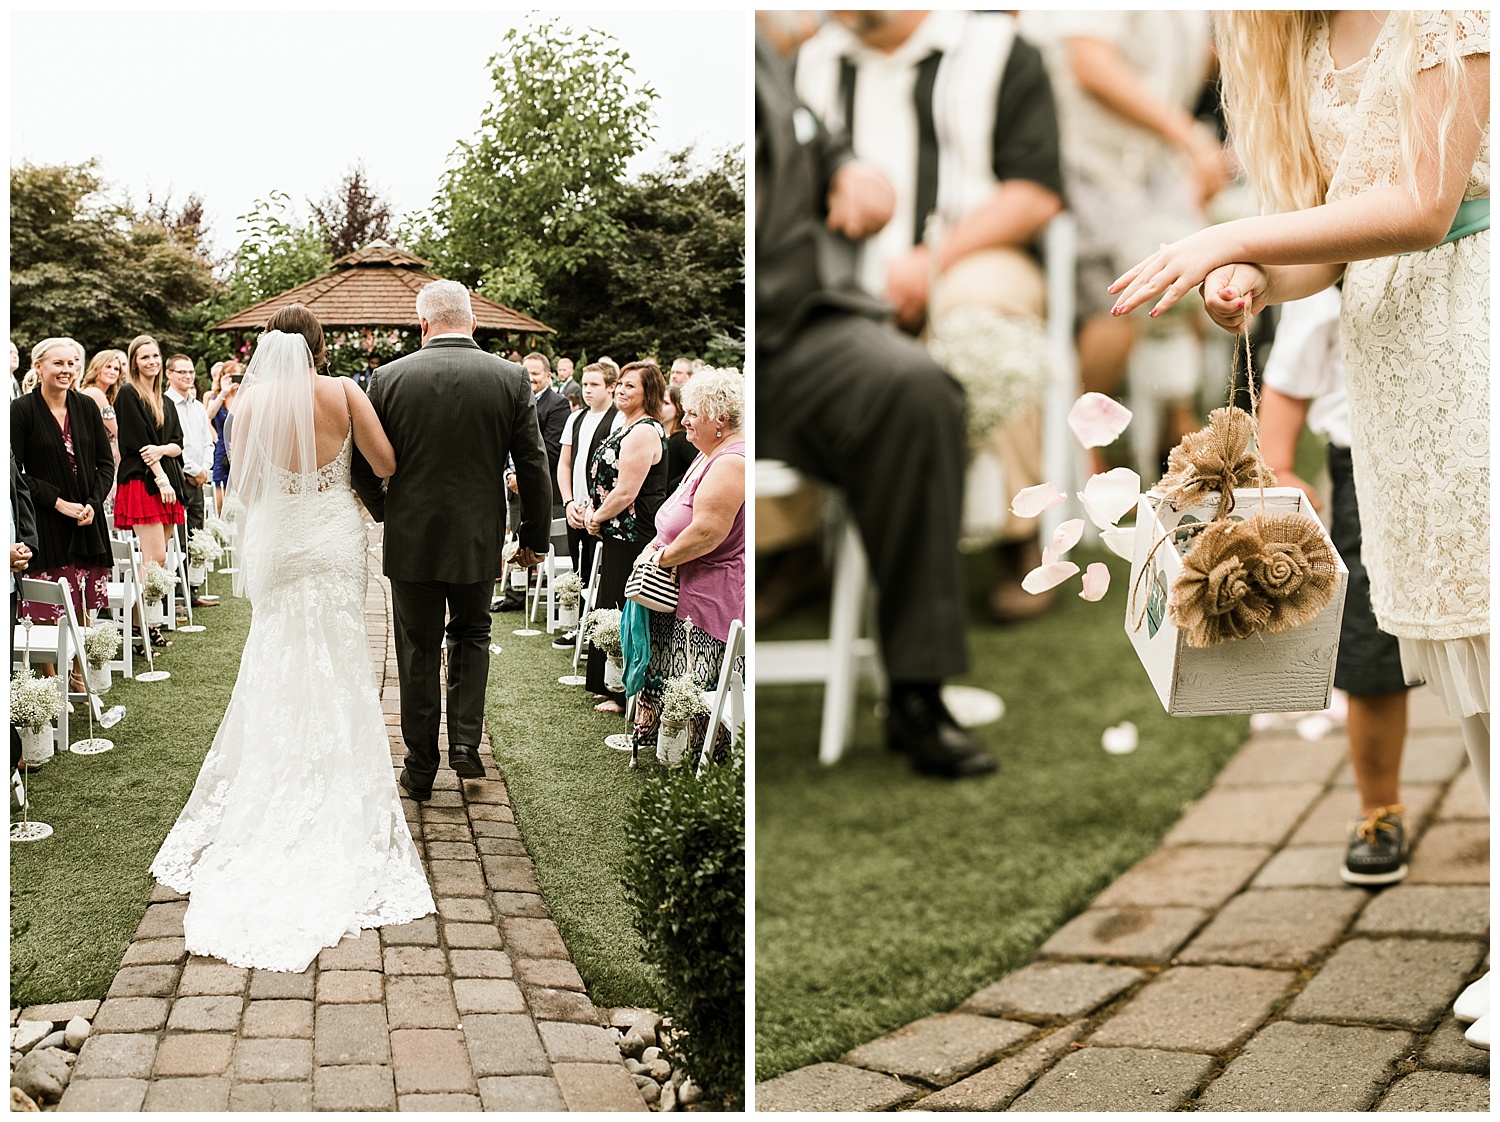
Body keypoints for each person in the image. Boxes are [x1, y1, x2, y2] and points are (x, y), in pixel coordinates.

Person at [1111, 9, 1488, 1046]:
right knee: (1468, 663)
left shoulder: (1448, 15)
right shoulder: (1304, 46)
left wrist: (1230, 233)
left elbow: (1423, 204)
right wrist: (1256, 278)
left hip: (1478, 337)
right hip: (1396, 370)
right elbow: (1331, 242)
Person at [151, 308, 434, 973]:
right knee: (339, 659)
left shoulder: (247, 405)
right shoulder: (341, 393)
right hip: (335, 537)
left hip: (279, 542)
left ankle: (272, 781)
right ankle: (337, 783)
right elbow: (386, 461)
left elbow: (242, 485)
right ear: (318, 347)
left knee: (275, 659)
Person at [757, 19, 995, 778]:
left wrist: (850, 163)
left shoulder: (758, 43)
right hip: (739, 346)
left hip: (801, 329)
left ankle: (917, 691)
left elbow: (802, 131)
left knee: (916, 389)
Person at [352, 281, 551, 799]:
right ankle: (464, 743)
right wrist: (533, 537)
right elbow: (533, 464)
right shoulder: (509, 377)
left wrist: (388, 513)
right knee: (471, 634)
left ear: (422, 325)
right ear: (472, 323)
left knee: (416, 649)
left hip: (411, 538)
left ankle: (420, 768)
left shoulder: (388, 378)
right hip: (477, 537)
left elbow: (361, 467)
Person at [1259, 288, 1414, 886]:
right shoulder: (1328, 270)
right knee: (1370, 641)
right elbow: (1290, 374)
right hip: (1367, 468)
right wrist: (1279, 463)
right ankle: (1379, 808)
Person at [631, 368, 746, 759]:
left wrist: (660, 557)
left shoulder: (732, 462)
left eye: (693, 413)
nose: (684, 420)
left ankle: (693, 763)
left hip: (705, 597)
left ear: (720, 419)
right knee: (670, 679)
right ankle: (668, 750)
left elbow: (708, 533)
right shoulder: (707, 455)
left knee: (694, 685)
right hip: (678, 586)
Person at [11, 338, 116, 670]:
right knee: (48, 607)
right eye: (58, 363)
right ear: (38, 366)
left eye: (72, 363)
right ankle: (52, 681)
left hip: (87, 520)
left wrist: (92, 504)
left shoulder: (86, 406)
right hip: (45, 521)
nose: (66, 370)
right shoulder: (21, 411)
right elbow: (15, 475)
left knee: (83, 602)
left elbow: (105, 463)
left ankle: (79, 674)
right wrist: (58, 503)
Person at [584, 361, 668, 714]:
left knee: (622, 609)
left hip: (634, 534)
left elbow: (626, 492)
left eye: (630, 385)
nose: (620, 389)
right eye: (619, 383)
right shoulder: (627, 426)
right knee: (610, 604)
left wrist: (594, 517)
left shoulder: (645, 432)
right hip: (618, 532)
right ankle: (610, 685)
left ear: (647, 393)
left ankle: (622, 693)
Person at [113, 334, 187, 647]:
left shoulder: (166, 401)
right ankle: (135, 625)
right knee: (153, 558)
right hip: (145, 481)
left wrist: (164, 450)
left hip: (167, 481)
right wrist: (161, 477)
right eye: (144, 357)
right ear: (135, 362)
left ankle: (143, 626)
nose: (152, 361)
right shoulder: (128, 394)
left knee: (160, 562)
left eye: (155, 355)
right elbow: (139, 444)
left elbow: (178, 444)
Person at [496, 352, 571, 612]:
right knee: (516, 542)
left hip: (542, 489)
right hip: (514, 486)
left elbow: (550, 450)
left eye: (536, 373)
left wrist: (524, 479)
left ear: (548, 376)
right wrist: (509, 474)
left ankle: (564, 605)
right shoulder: (513, 400)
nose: (531, 378)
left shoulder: (557, 404)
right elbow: (504, 443)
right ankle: (515, 597)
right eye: (526, 372)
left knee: (549, 545)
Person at [557, 361, 621, 622]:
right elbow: (564, 463)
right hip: (575, 507)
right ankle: (579, 626)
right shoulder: (575, 418)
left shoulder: (618, 419)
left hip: (602, 512)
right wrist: (568, 502)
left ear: (611, 387)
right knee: (579, 568)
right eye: (585, 384)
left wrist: (596, 509)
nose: (587, 390)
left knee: (602, 572)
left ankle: (599, 628)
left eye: (594, 385)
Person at [164, 353, 217, 608]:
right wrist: (193, 470)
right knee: (178, 537)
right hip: (178, 477)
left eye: (190, 372)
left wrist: (204, 470)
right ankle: (173, 594)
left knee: (196, 533)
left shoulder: (197, 406)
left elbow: (207, 441)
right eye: (181, 372)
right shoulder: (165, 404)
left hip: (200, 478)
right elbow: (174, 444)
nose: (187, 376)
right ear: (169, 374)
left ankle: (191, 591)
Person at [205, 360, 242, 515]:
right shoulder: (216, 397)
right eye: (229, 375)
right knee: (220, 500)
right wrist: (224, 392)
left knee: (240, 501)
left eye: (237, 375)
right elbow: (208, 415)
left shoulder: (246, 395)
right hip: (221, 451)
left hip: (241, 450)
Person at [662, 383, 695, 494]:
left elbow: (698, 465)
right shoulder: (657, 435)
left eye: (665, 403)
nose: (659, 406)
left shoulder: (682, 439)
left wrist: (674, 485)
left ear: (678, 409)